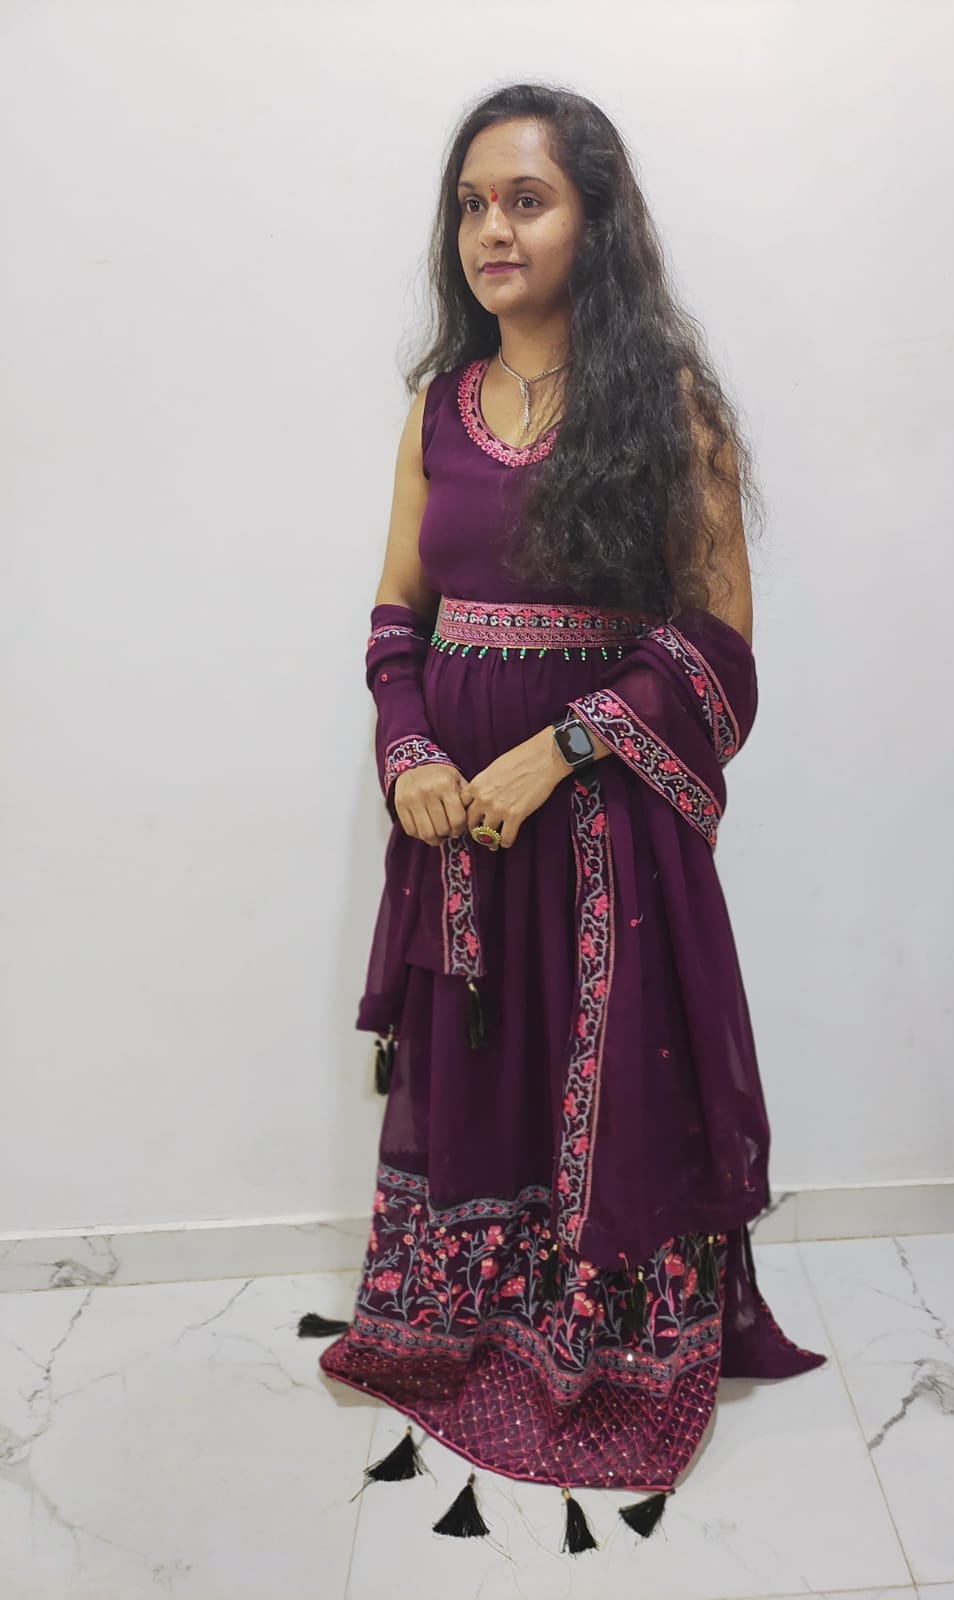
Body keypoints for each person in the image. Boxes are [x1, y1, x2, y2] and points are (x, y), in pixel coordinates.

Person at [303, 81, 827, 1554]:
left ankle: (613, 1349)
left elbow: (717, 643)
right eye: (472, 204)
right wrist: (410, 748)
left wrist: (565, 748)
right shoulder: (437, 409)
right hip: (457, 826)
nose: (493, 229)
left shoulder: (665, 407)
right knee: (483, 1068)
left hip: (604, 830)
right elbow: (396, 609)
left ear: (596, 222)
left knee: (609, 1079)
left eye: (526, 200)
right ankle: (471, 1318)